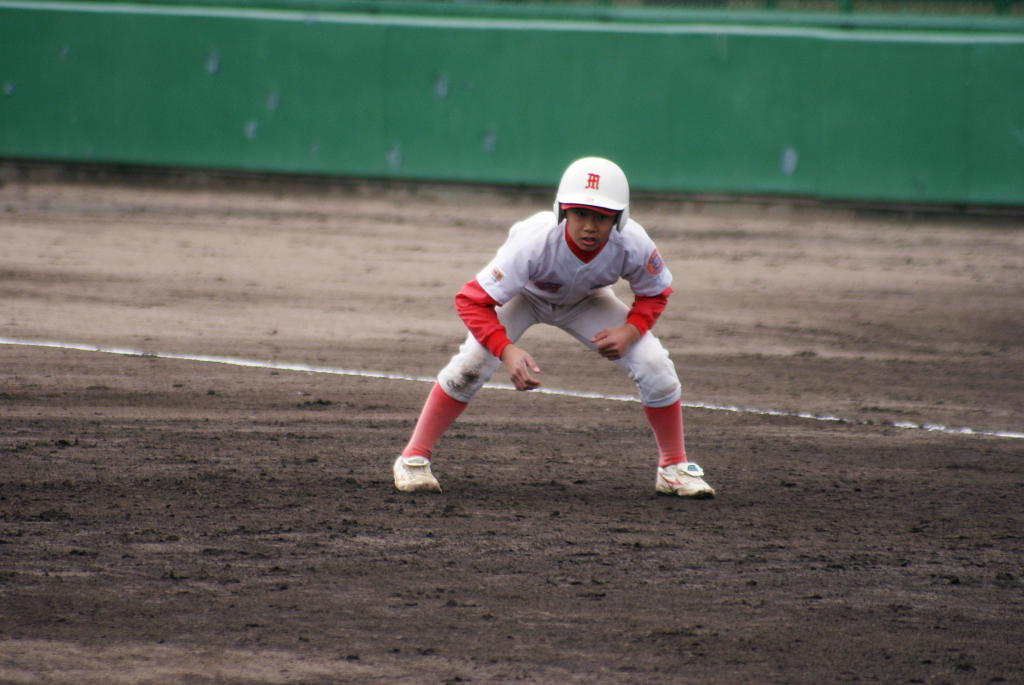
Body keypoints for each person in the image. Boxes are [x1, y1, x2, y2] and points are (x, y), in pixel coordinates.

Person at [392, 156, 715, 498]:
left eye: (602, 216)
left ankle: (673, 466)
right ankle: (413, 457)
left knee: (655, 365)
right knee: (471, 364)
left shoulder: (632, 242)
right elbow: (470, 300)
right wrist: (506, 349)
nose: (589, 226)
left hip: (588, 300)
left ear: (619, 218)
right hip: (524, 296)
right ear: (562, 211)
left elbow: (655, 291)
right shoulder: (534, 241)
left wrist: (631, 330)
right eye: (580, 213)